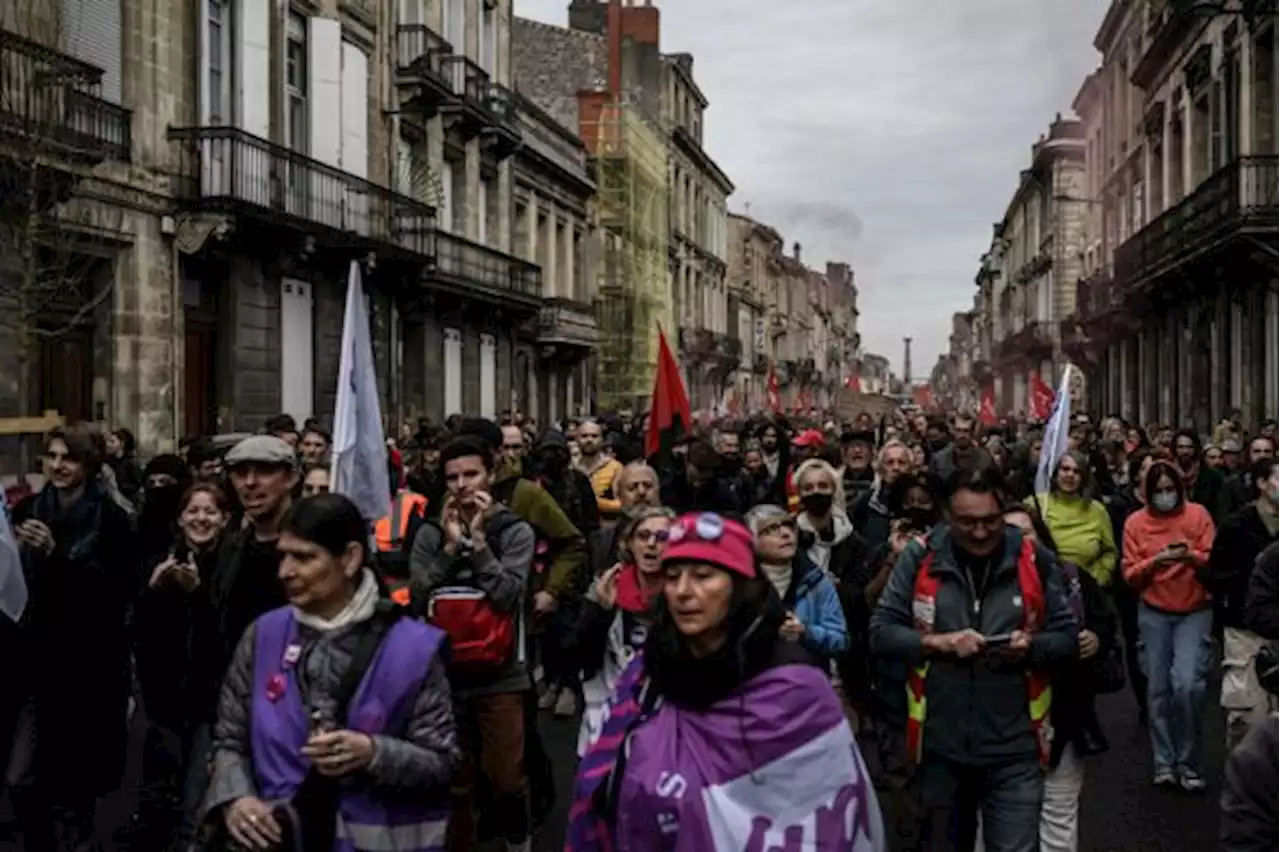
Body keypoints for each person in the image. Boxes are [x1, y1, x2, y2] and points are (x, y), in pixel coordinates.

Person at [566, 512, 885, 851]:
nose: (684, 592)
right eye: (673, 577)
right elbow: (606, 780)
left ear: (740, 586)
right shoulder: (647, 673)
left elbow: (827, 820)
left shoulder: (799, 690)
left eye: (703, 576)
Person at [202, 493, 459, 851]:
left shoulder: (413, 648)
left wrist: (373, 753)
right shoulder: (262, 635)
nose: (285, 572)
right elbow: (230, 739)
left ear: (350, 558)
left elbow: (443, 762)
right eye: (283, 556)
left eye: (304, 557)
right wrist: (236, 799)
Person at [869, 463, 1079, 852]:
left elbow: (1067, 636)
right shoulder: (920, 558)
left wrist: (1030, 646)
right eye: (967, 523)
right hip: (940, 749)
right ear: (948, 515)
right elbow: (881, 631)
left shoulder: (1033, 560)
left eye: (990, 521)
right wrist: (940, 644)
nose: (980, 532)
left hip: (1014, 748)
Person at [1122, 460, 1216, 791]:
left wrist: (1191, 556)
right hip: (1154, 610)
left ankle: (1189, 761)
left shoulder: (1198, 515)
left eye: (1170, 490)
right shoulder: (1135, 523)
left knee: (1189, 685)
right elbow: (1129, 573)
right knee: (1158, 689)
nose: (1165, 496)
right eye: (1158, 491)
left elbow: (1214, 558)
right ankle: (1164, 761)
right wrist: (1155, 561)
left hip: (1194, 608)